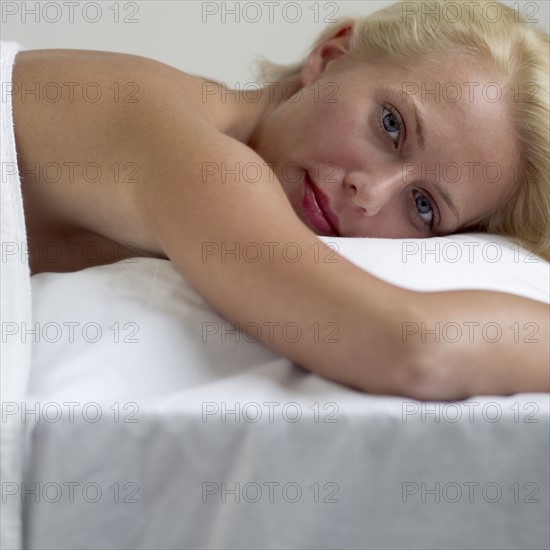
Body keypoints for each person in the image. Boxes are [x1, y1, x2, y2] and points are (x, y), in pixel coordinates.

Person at [7, 0, 549, 399]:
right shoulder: (195, 152)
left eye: (424, 206)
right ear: (331, 55)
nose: (371, 194)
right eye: (391, 126)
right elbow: (411, 348)